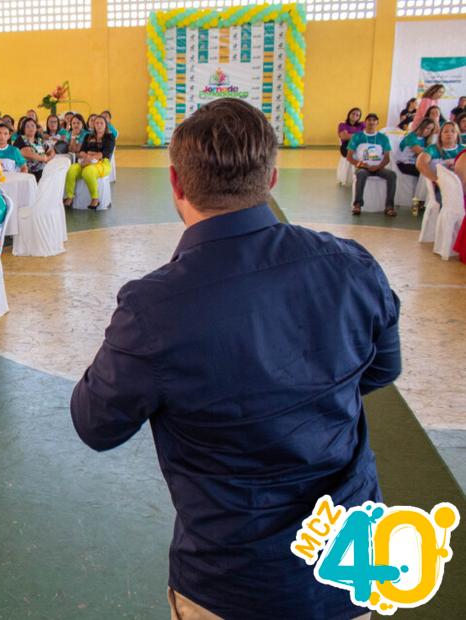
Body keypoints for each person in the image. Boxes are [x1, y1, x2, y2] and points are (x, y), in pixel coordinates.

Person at [70, 98, 400, 620]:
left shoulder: (152, 307)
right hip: (354, 566)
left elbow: (96, 425)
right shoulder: (352, 265)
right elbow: (381, 370)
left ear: (177, 185)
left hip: (233, 580)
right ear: (271, 177)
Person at [346, 113, 396, 216]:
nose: (371, 122)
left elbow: (387, 158)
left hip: (378, 168)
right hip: (363, 168)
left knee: (392, 175)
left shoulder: (383, 138)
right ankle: (357, 205)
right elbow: (349, 157)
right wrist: (360, 164)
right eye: (369, 120)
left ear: (377, 123)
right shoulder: (357, 136)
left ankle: (389, 206)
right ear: (365, 122)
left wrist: (378, 167)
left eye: (374, 120)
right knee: (361, 174)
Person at [64, 115, 115, 209]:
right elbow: (82, 151)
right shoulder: (88, 136)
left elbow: (104, 154)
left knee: (88, 172)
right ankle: (70, 197)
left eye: (101, 123)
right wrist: (88, 157)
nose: (99, 125)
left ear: (105, 125)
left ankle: (95, 198)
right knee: (71, 169)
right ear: (93, 125)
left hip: (103, 163)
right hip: (86, 160)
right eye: (97, 123)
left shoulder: (110, 137)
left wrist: (90, 157)